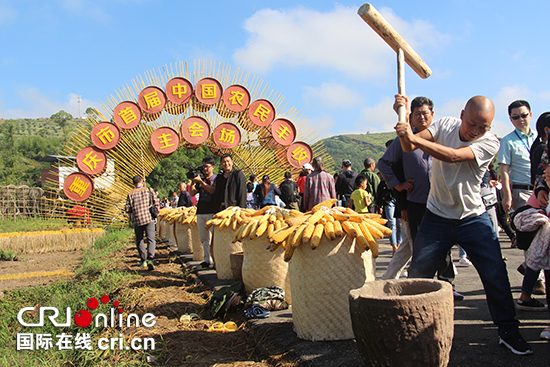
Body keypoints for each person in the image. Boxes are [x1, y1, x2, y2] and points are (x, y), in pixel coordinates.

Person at [395, 93, 532, 355]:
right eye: (472, 123)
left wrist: (410, 137)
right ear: (461, 115)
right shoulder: (444, 125)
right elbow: (408, 147)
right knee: (417, 277)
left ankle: (509, 332)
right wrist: (402, 120)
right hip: (436, 216)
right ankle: (410, 334)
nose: (476, 131)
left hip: (473, 218)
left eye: (484, 126)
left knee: (496, 276)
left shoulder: (490, 142)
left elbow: (454, 156)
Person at [379, 96, 458, 296]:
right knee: (419, 246)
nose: (421, 117)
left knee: (444, 245)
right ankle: (423, 286)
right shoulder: (403, 140)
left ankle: (448, 286)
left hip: (442, 200)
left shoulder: (443, 137)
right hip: (416, 202)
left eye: (425, 113)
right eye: (417, 114)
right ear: (411, 117)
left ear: (432, 115)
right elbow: (384, 164)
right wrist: (398, 186)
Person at [498, 100, 535, 212]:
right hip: (521, 192)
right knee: (526, 227)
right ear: (511, 119)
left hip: (541, 190)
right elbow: (504, 170)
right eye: (516, 117)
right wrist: (507, 196)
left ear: (530, 115)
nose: (521, 119)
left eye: (524, 115)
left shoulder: (539, 137)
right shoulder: (507, 141)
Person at [125, 176, 159, 271]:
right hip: (149, 218)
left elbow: (127, 209)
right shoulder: (149, 190)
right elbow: (156, 202)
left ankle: (143, 260)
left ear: (133, 184)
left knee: (139, 239)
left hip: (137, 220)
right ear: (142, 181)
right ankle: (150, 259)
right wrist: (155, 215)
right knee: (150, 239)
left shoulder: (130, 194)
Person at [190, 157, 217, 268]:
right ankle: (207, 260)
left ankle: (216, 260)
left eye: (207, 166)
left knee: (214, 238)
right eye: (203, 166)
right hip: (201, 211)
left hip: (212, 211)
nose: (205, 169)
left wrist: (201, 182)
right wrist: (193, 181)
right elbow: (192, 193)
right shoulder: (201, 179)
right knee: (204, 238)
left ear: (212, 167)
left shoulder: (215, 179)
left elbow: (212, 190)